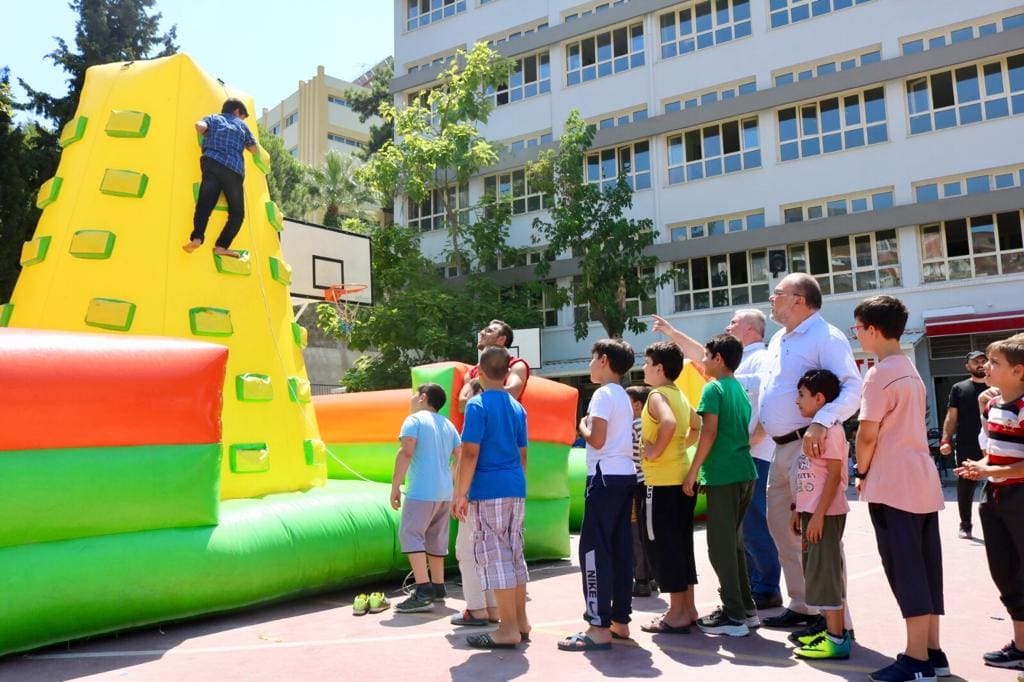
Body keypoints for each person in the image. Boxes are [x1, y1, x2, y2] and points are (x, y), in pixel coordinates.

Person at [651, 310, 781, 609]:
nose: (728, 324)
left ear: (750, 328)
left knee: (742, 530)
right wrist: (673, 334)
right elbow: (701, 353)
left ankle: (758, 590)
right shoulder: (731, 371)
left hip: (743, 458)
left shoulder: (758, 361)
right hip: (738, 459)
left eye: (734, 322)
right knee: (738, 534)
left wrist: (751, 441)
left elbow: (761, 407)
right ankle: (747, 590)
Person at [757, 274, 861, 633]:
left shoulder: (825, 336)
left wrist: (821, 421)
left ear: (799, 300)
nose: (771, 299)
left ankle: (834, 620)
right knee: (782, 529)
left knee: (819, 537)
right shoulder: (777, 338)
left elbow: (852, 388)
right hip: (780, 447)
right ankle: (803, 605)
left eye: (777, 294)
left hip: (810, 447)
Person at [852, 295, 949, 682]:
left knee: (906, 570)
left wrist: (861, 471)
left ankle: (916, 660)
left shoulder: (879, 375)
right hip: (922, 481)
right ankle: (932, 652)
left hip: (892, 484)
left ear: (873, 330)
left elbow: (867, 433)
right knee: (926, 569)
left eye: (858, 328)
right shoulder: (909, 370)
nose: (857, 334)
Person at [558, 339, 637, 652]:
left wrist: (582, 427)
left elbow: (599, 439)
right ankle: (619, 620)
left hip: (604, 479)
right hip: (625, 476)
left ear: (603, 360)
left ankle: (597, 625)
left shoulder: (603, 395)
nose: (590, 365)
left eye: (592, 359)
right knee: (620, 549)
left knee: (593, 550)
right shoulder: (622, 394)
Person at [452, 319, 530, 628]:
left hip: (486, 488)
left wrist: (460, 493)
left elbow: (470, 453)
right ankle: (520, 622)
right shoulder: (517, 407)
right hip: (513, 486)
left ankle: (504, 626)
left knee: (486, 553)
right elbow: (523, 455)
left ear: (479, 374)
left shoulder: (477, 405)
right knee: (514, 555)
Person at [955, 333, 1024, 671]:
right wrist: (980, 467)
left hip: (1018, 496)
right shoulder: (994, 404)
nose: (986, 366)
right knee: (1005, 574)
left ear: (1018, 371)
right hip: (994, 495)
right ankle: (1021, 647)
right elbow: (993, 450)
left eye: (995, 362)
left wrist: (988, 470)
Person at [685, 334, 758, 637]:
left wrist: (694, 471)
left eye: (705, 355)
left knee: (720, 546)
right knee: (734, 544)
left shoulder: (712, 388)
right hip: (744, 472)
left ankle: (734, 615)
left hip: (725, 474)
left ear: (717, 359)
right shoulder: (737, 388)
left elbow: (709, 431)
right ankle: (746, 608)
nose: (702, 361)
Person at [638, 341, 702, 634]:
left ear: (659, 368)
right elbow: (696, 425)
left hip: (660, 484)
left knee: (663, 548)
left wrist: (654, 452)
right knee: (681, 545)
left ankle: (676, 613)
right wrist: (678, 448)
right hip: (679, 480)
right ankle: (687, 608)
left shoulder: (657, 395)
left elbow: (668, 422)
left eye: (647, 362)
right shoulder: (678, 394)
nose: (643, 368)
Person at [789, 370, 851, 661]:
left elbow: (834, 476)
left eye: (802, 395)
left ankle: (837, 639)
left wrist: (818, 516)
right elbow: (808, 476)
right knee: (815, 572)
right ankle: (829, 631)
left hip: (824, 514)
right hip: (811, 512)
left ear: (820, 398)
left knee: (826, 575)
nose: (797, 401)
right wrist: (798, 509)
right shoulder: (815, 428)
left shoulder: (832, 429)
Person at [390, 383, 462, 613]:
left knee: (411, 534)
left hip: (422, 490)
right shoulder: (448, 424)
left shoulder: (414, 420)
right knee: (435, 538)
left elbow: (406, 450)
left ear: (422, 397)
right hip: (444, 491)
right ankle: (438, 586)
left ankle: (423, 589)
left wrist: (395, 485)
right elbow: (459, 455)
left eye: (414, 394)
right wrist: (450, 479)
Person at [183, 98, 259, 259]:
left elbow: (199, 126)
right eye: (242, 116)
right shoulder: (242, 125)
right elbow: (254, 149)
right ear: (237, 111)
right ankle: (222, 246)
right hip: (233, 169)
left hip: (211, 163)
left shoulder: (212, 118)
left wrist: (207, 132)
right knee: (237, 214)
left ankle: (197, 238)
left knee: (205, 205)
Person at [939, 350, 989, 539]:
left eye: (983, 360)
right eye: (975, 361)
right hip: (968, 443)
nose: (980, 364)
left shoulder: (998, 387)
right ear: (967, 366)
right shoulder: (959, 388)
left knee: (1001, 482)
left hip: (995, 442)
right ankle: (965, 524)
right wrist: (946, 440)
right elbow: (951, 418)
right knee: (967, 484)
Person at [625, 385, 655, 597]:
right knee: (647, 531)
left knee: (635, 532)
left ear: (637, 404)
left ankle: (641, 578)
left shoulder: (634, 425)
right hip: (649, 483)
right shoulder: (648, 424)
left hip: (636, 484)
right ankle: (651, 577)